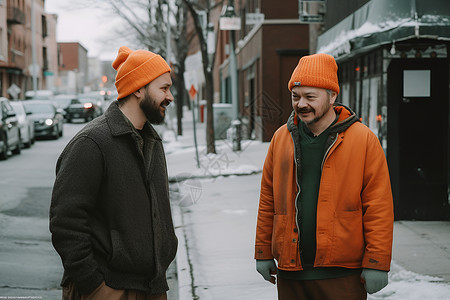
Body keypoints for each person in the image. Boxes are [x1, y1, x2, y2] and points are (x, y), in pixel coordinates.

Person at [254, 53, 394, 299]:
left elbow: (378, 206)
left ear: (332, 96)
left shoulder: (363, 140)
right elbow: (268, 200)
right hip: (291, 272)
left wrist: (376, 262)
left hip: (342, 275)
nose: (301, 104)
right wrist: (263, 252)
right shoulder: (280, 138)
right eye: (295, 97)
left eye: (310, 97)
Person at [50, 46, 178, 300]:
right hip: (111, 288)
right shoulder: (92, 143)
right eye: (163, 88)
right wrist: (95, 286)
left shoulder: (151, 141)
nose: (170, 96)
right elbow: (66, 222)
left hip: (151, 286)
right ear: (138, 89)